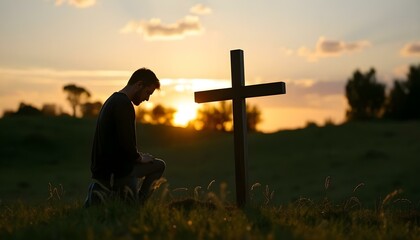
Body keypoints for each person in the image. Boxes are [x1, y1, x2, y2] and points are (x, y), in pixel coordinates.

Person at [89, 68, 166, 204]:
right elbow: (127, 145)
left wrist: (137, 157)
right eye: (147, 93)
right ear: (139, 85)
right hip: (118, 172)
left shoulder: (111, 100)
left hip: (103, 171)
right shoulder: (124, 104)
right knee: (159, 165)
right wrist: (139, 158)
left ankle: (102, 192)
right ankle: (138, 203)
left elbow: (119, 143)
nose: (147, 99)